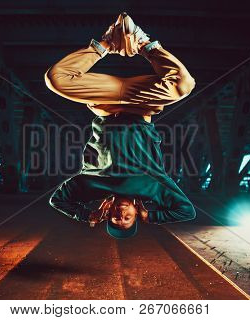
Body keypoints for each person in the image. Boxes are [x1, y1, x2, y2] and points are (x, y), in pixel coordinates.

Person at [45, 12, 197, 239]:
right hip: (141, 104)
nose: (121, 213)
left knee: (55, 79)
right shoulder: (155, 188)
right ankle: (144, 43)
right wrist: (152, 217)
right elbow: (187, 211)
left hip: (106, 104)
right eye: (128, 218)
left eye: (116, 218)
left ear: (108, 213)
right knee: (184, 84)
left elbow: (56, 201)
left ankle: (107, 43)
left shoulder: (88, 188)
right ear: (136, 212)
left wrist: (87, 215)